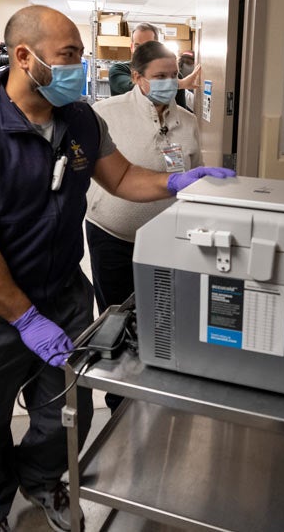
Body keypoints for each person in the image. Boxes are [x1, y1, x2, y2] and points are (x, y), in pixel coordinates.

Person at [0, 5, 234, 532]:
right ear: (25, 57)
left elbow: (122, 178)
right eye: (68, 56)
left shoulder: (82, 121)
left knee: (64, 411)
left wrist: (178, 182)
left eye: (79, 55)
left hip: (63, 296)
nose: (77, 65)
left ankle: (44, 481)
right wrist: (24, 319)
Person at [86, 42, 202, 411]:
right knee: (117, 322)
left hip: (167, 242)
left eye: (174, 76)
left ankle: (155, 397)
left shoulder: (187, 121)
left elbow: (191, 178)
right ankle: (120, 400)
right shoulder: (105, 114)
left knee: (161, 321)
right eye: (160, 77)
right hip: (113, 238)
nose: (170, 82)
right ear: (137, 78)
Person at [108, 23, 202, 97]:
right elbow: (134, 88)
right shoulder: (119, 70)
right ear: (132, 47)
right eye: (137, 46)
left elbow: (180, 113)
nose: (142, 51)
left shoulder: (174, 76)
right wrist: (179, 84)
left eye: (148, 45)